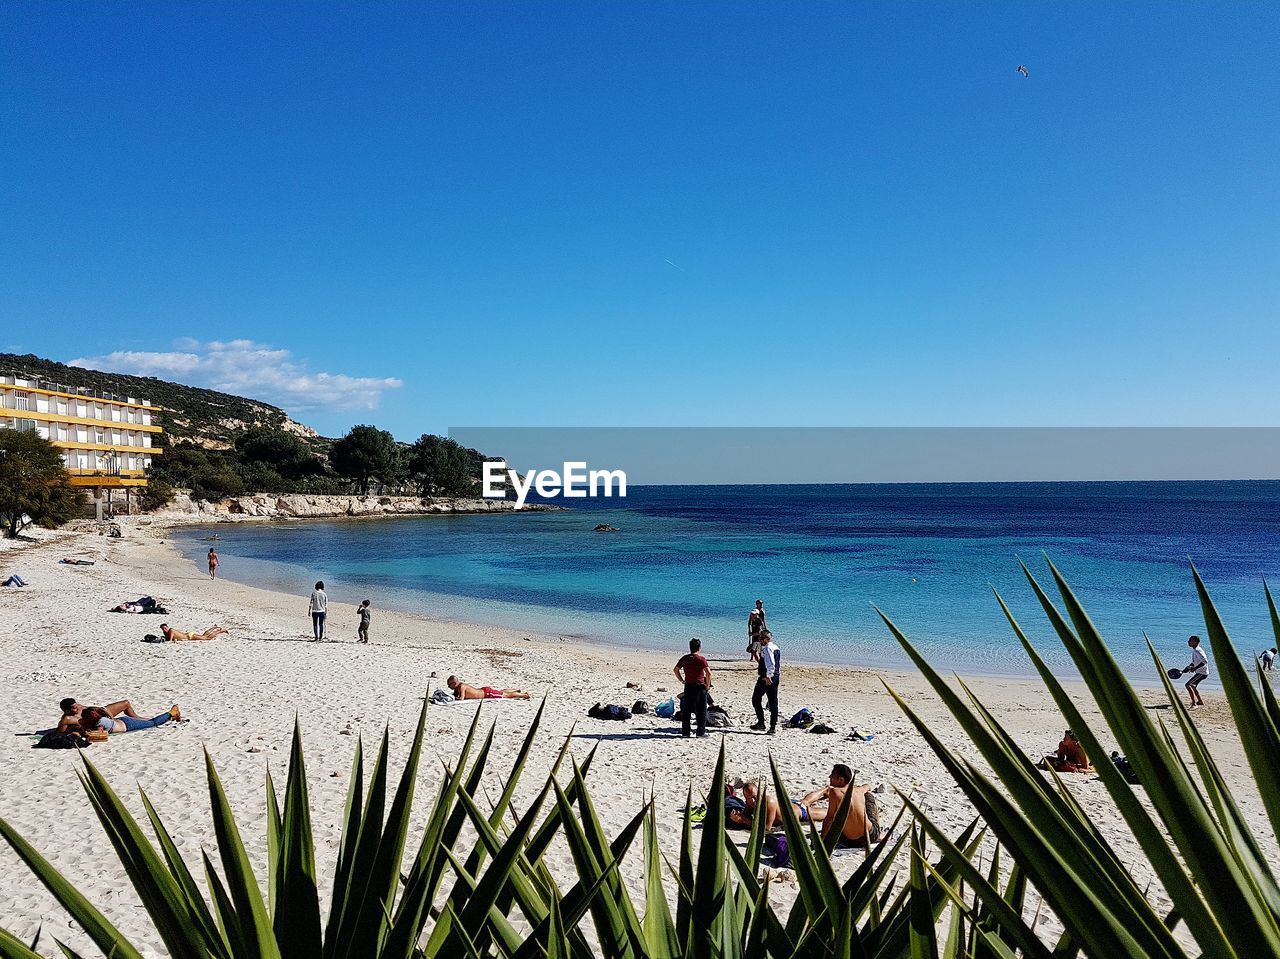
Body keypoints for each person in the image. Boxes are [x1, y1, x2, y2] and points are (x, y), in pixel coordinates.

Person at [799, 763, 884, 847]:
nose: (830, 777)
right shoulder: (859, 790)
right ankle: (879, 834)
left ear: (840, 780)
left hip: (852, 841)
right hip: (871, 836)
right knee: (868, 795)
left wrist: (823, 839)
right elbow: (867, 786)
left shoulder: (834, 792)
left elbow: (829, 818)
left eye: (832, 776)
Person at [730, 776, 827, 831]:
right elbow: (746, 816)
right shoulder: (749, 803)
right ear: (746, 798)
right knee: (804, 801)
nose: (754, 800)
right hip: (786, 804)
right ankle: (825, 790)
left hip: (798, 812)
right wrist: (737, 818)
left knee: (829, 813)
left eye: (756, 796)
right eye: (750, 798)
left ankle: (826, 789)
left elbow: (767, 828)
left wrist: (744, 820)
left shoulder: (769, 802)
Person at [674, 637, 712, 738]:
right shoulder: (701, 659)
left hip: (689, 685)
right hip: (699, 687)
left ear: (690, 647)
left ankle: (686, 732)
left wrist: (682, 680)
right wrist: (707, 686)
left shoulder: (685, 658)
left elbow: (676, 670)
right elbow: (708, 673)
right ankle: (700, 732)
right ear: (699, 648)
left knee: (686, 710)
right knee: (701, 710)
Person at [56, 697, 146, 733]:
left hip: (101, 713)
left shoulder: (79, 707)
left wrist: (105, 713)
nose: (78, 708)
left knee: (125, 703)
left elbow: (93, 709)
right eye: (74, 708)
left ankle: (136, 717)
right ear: (67, 711)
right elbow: (61, 732)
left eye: (77, 706)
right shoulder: (67, 718)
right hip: (98, 722)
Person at [751, 630, 781, 734]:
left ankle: (762, 723)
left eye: (761, 639)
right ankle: (772, 727)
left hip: (767, 678)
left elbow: (771, 664)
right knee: (773, 702)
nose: (760, 640)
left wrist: (768, 676)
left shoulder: (768, 648)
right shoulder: (776, 647)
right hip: (775, 676)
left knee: (756, 699)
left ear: (767, 639)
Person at [80, 704, 180, 733]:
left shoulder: (100, 723)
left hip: (129, 725)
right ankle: (172, 715)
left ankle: (172, 712)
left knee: (153, 722)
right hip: (123, 721)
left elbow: (99, 734)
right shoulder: (100, 720)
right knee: (150, 722)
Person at [446, 676, 531, 700]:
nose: (448, 687)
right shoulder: (457, 688)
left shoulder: (461, 686)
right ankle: (516, 690)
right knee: (500, 692)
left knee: (506, 695)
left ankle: (524, 695)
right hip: (484, 691)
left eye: (449, 685)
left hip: (486, 694)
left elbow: (461, 698)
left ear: (454, 683)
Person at [1182, 635, 1209, 708]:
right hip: (1200, 672)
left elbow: (1205, 661)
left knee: (1188, 685)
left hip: (1202, 673)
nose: (1188, 642)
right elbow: (1195, 662)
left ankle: (1194, 704)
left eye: (1190, 640)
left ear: (1195, 642)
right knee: (1193, 686)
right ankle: (1200, 701)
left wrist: (1194, 668)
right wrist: (1189, 667)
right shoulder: (1195, 650)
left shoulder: (1198, 650)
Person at [159, 623, 228, 642]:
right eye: (163, 629)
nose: (164, 630)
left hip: (190, 636)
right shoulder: (166, 633)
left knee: (207, 638)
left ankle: (220, 631)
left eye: (165, 628)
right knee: (204, 635)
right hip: (189, 635)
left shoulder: (171, 630)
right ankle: (214, 627)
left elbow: (171, 640)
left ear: (167, 627)